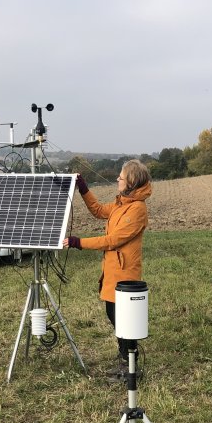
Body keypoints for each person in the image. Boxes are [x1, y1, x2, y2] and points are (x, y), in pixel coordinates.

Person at [64, 159, 152, 381]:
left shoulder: (137, 209)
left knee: (125, 321)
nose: (117, 179)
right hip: (112, 272)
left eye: (120, 177)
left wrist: (78, 242)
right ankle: (125, 358)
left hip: (125, 275)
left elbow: (113, 240)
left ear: (130, 181)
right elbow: (98, 210)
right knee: (114, 316)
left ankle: (130, 365)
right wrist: (83, 188)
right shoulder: (121, 204)